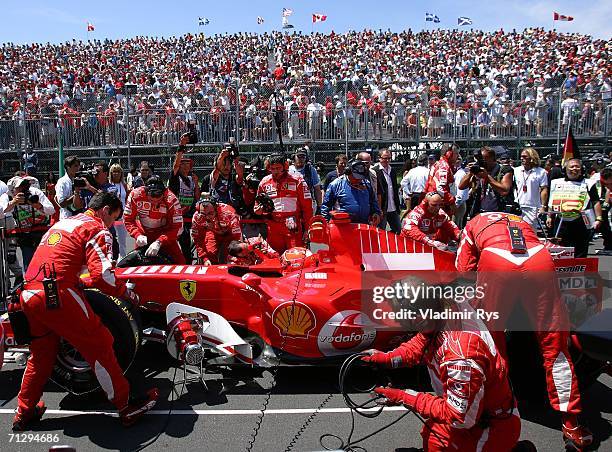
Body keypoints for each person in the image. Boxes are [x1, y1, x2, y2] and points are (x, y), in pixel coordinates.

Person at [13, 192, 158, 431]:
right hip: (56, 294)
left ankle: (24, 412)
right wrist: (126, 293)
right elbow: (103, 276)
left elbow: (63, 262)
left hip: (28, 293)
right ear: (105, 210)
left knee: (41, 355)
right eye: (114, 218)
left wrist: (81, 282)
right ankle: (125, 407)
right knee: (101, 342)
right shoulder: (96, 228)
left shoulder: (63, 222)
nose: (112, 225)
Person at [456, 212, 592, 449]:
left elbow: (463, 270)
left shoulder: (472, 224)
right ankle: (572, 425)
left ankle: (499, 414)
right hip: (539, 259)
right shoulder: (520, 220)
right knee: (555, 348)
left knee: (492, 343)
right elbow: (551, 248)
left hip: (496, 261)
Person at [362, 290, 520, 451]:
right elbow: (423, 342)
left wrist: (403, 397)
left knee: (436, 441)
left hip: (492, 427)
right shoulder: (442, 310)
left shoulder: (460, 358)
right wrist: (386, 358)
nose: (398, 320)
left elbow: (460, 417)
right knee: (432, 430)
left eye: (404, 317)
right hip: (479, 414)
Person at [254, 153, 313, 254]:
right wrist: (258, 210)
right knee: (274, 258)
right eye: (273, 168)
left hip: (292, 225)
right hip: (273, 226)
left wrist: (308, 229)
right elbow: (257, 206)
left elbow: (307, 208)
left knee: (295, 257)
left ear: (285, 166)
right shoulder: (264, 182)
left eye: (278, 168)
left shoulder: (297, 180)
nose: (276, 171)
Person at [547, 159, 602, 258]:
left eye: (577, 166)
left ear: (582, 169)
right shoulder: (556, 182)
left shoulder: (589, 183)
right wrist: (549, 216)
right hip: (561, 221)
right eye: (571, 166)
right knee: (560, 250)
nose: (574, 169)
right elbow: (552, 200)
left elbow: (595, 201)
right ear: (565, 169)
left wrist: (598, 218)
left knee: (580, 250)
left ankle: (579, 271)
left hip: (581, 220)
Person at [123, 176, 185, 264]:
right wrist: (137, 234)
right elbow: (128, 219)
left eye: (158, 200)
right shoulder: (135, 195)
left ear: (164, 193)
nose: (155, 203)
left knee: (180, 262)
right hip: (143, 235)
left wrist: (160, 241)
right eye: (151, 200)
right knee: (137, 265)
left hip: (165, 235)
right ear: (145, 192)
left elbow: (178, 227)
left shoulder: (172, 200)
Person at [1, 176, 55, 271]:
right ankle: (29, 282)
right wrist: (13, 203)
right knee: (28, 263)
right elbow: (1, 212)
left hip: (40, 233)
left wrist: (38, 205)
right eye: (19, 187)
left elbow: (51, 210)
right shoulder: (7, 196)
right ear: (13, 190)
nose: (23, 189)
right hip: (23, 236)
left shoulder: (35, 192)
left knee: (45, 262)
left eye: (24, 186)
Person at [168, 134, 201, 264]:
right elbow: (175, 166)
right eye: (183, 164)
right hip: (176, 217)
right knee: (180, 245)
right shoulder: (175, 178)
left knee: (190, 244)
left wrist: (197, 185)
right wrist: (181, 147)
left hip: (189, 216)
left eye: (188, 164)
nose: (186, 166)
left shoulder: (192, 180)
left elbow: (197, 198)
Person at [321, 159, 381, 225]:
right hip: (343, 226)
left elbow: (373, 201)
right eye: (356, 177)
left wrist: (376, 213)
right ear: (348, 172)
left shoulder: (366, 184)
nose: (359, 180)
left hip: (364, 225)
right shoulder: (336, 185)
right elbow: (326, 207)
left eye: (361, 177)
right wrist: (327, 224)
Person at [459, 146, 514, 217]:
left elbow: (504, 191)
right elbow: (461, 186)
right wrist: (471, 172)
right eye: (479, 161)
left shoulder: (505, 170)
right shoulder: (479, 170)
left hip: (499, 213)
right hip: (480, 213)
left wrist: (487, 177)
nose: (482, 163)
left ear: (493, 158)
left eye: (484, 160)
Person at [191, 194, 242, 265]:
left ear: (216, 208)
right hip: (212, 233)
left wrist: (232, 254)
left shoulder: (228, 213)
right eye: (203, 214)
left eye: (210, 213)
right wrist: (205, 258)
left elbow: (237, 236)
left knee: (231, 258)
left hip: (230, 235)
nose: (207, 217)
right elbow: (198, 239)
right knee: (210, 256)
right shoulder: (197, 217)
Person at [513, 147, 549, 229]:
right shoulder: (516, 170)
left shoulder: (541, 172)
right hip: (518, 206)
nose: (522, 158)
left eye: (525, 157)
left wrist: (543, 206)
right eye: (521, 156)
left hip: (533, 207)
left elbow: (544, 189)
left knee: (530, 232)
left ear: (532, 158)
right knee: (516, 232)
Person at [424, 143, 459, 215]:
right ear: (449, 154)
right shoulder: (444, 166)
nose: (458, 156)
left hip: (434, 202)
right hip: (440, 206)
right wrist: (452, 203)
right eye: (456, 153)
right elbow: (440, 188)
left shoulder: (438, 164)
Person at [374, 149, 401, 233]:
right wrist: (378, 209)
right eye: (385, 158)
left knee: (398, 230)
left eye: (389, 158)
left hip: (393, 207)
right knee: (381, 231)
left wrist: (398, 205)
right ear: (379, 158)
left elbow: (394, 189)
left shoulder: (392, 170)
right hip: (382, 208)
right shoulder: (375, 171)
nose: (387, 160)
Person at [289, 147, 323, 214]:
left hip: (308, 204)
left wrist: (319, 206)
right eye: (299, 156)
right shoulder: (289, 170)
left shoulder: (310, 170)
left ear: (306, 158)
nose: (301, 159)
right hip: (292, 204)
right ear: (294, 157)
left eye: (303, 157)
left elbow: (317, 189)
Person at [108, 164, 129, 259]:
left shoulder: (124, 185)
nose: (116, 174)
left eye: (118, 172)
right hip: (111, 216)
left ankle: (123, 258)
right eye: (114, 171)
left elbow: (128, 199)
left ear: (121, 173)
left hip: (122, 215)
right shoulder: (108, 185)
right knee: (111, 238)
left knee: (122, 239)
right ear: (111, 173)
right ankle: (111, 257)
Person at [55, 155, 83, 219]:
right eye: (75, 166)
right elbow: (62, 204)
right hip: (68, 217)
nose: (78, 168)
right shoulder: (62, 182)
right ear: (68, 167)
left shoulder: (83, 180)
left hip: (81, 216)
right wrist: (77, 193)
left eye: (78, 166)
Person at [595, 167, 612, 255]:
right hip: (599, 201)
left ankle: (609, 246)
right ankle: (608, 245)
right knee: (603, 224)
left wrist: (606, 203)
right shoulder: (596, 178)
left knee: (606, 224)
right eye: (606, 182)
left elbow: (608, 190)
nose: (608, 184)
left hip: (608, 201)